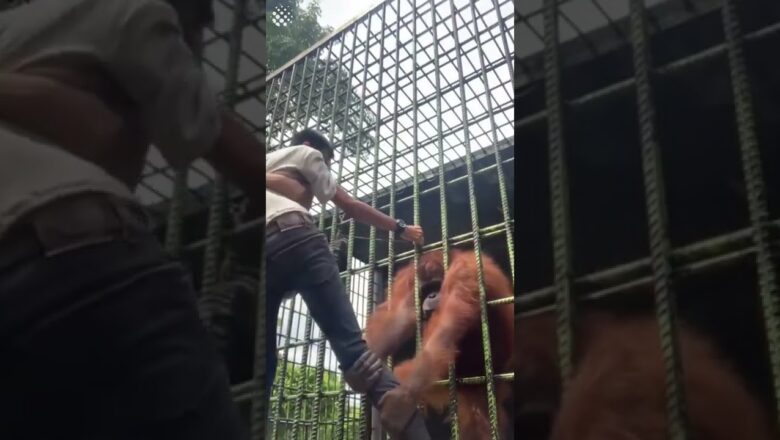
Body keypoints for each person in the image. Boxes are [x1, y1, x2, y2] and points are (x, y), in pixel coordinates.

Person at [0, 0, 270, 438]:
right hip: (72, 257)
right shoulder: (135, 10)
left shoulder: (15, 28)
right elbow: (219, 139)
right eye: (200, 31)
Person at [265, 128, 432, 439]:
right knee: (354, 352)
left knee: (263, 360)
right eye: (328, 161)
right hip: (297, 236)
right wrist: (400, 228)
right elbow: (350, 206)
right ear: (308, 145)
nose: (327, 167)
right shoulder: (306, 153)